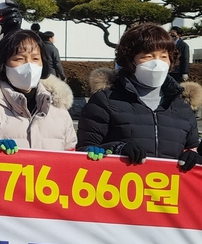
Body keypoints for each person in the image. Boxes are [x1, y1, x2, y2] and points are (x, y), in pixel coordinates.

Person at [78, 23, 202, 170]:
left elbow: (191, 147)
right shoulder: (105, 101)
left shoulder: (182, 105)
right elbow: (85, 150)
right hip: (119, 189)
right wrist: (118, 149)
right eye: (148, 57)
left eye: (163, 56)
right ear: (130, 60)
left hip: (167, 190)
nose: (157, 63)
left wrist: (194, 157)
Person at [0, 30, 76, 153]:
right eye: (19, 58)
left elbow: (71, 156)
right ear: (3, 64)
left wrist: (90, 158)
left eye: (35, 58)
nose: (29, 66)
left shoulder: (58, 109)